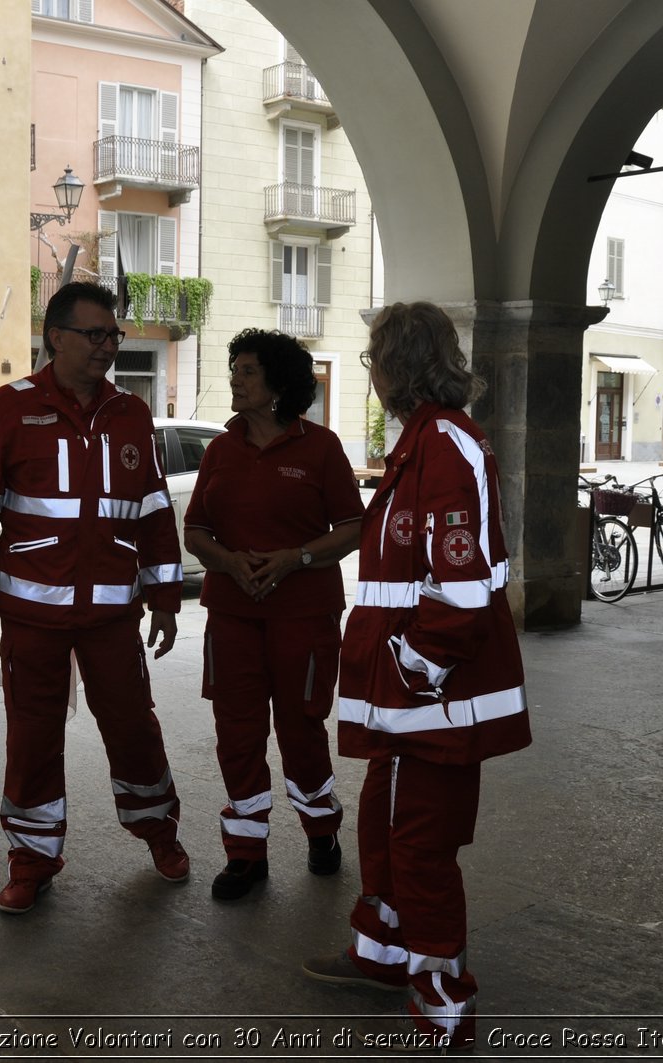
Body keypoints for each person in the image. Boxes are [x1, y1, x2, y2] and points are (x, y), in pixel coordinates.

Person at [302, 302, 532, 1052]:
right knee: (384, 822)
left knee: (420, 846)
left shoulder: (444, 444)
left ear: (397, 364)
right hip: (408, 703)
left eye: (372, 359)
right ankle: (382, 952)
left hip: (428, 700)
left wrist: (412, 668)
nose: (369, 372)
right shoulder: (423, 440)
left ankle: (443, 1006)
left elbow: (464, 586)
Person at [0, 281, 189, 915]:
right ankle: (30, 860)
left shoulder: (131, 414)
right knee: (32, 738)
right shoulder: (7, 408)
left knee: (134, 727)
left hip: (113, 615)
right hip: (33, 615)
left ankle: (158, 831)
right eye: (95, 335)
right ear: (55, 337)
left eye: (113, 336)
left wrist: (165, 596)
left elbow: (155, 511)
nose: (107, 347)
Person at [183, 329, 364, 902]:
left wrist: (297, 558)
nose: (236, 379)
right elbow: (195, 530)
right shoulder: (220, 448)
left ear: (279, 383)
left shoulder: (321, 448)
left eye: (249, 371)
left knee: (301, 729)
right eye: (234, 369)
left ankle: (322, 831)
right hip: (232, 616)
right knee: (236, 734)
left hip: (304, 618)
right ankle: (245, 854)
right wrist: (229, 563)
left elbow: (353, 528)